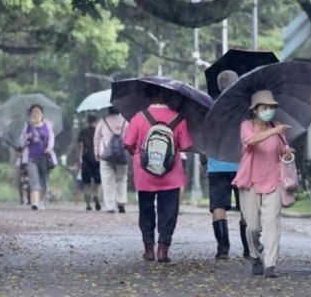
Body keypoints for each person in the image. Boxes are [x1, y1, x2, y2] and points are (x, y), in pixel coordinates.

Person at [123, 85, 193, 263]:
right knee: (168, 210)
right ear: (168, 98)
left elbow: (128, 143)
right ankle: (163, 250)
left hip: (144, 171)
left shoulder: (139, 117)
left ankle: (148, 249)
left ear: (148, 97)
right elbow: (186, 146)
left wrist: (139, 155)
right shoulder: (178, 118)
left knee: (146, 209)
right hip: (171, 173)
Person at [232, 90, 293, 279]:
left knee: (272, 224)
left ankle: (270, 264)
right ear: (255, 110)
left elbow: (284, 151)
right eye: (265, 107)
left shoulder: (277, 126)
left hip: (273, 180)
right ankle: (255, 255)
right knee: (252, 227)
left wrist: (288, 153)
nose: (269, 111)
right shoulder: (246, 125)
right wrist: (273, 131)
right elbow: (251, 141)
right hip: (249, 181)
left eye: (272, 108)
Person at [200, 69, 253, 260]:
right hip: (243, 166)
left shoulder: (210, 109)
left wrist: (203, 162)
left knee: (218, 207)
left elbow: (204, 140)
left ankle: (223, 249)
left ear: (219, 86)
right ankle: (249, 248)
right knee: (246, 207)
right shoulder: (246, 109)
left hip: (217, 166)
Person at [19, 104, 56, 210]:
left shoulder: (47, 126)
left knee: (44, 180)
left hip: (44, 157)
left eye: (38, 112)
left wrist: (49, 148)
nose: (36, 114)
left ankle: (40, 201)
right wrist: (26, 138)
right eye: (34, 112)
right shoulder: (27, 128)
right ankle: (35, 202)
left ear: (42, 114)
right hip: (31, 158)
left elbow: (51, 139)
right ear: (31, 114)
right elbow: (21, 143)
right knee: (34, 180)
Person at [94, 106, 129, 213]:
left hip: (106, 155)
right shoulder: (126, 121)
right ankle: (121, 202)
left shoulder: (103, 121)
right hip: (122, 155)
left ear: (109, 110)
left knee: (107, 180)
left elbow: (97, 138)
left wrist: (96, 152)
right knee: (122, 179)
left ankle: (110, 206)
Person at [77, 114, 102, 211]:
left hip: (86, 158)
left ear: (87, 121)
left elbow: (80, 146)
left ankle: (88, 205)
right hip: (98, 157)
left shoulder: (83, 131)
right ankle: (98, 197)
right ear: (96, 120)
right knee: (99, 182)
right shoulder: (100, 131)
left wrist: (79, 159)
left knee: (87, 183)